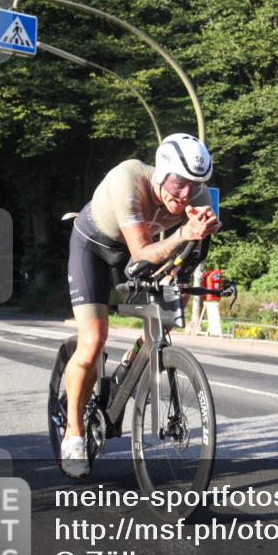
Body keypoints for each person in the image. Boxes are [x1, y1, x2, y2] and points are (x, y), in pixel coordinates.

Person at [62, 133, 221, 478]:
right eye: (179, 182)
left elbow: (192, 251)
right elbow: (141, 253)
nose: (184, 194)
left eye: (194, 185)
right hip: (94, 250)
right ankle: (73, 433)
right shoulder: (128, 178)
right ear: (162, 172)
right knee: (93, 340)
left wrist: (197, 242)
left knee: (162, 321)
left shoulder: (200, 195)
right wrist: (183, 235)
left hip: (141, 255)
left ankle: (129, 368)